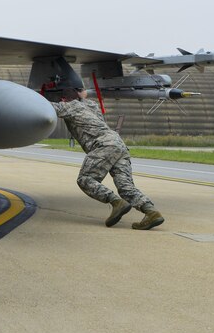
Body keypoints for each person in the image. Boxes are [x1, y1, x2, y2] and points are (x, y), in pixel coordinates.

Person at [52, 88, 163, 230]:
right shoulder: (91, 105)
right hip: (118, 143)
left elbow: (45, 107)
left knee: (85, 179)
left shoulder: (69, 106)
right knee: (125, 187)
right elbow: (83, 99)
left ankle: (116, 202)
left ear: (63, 99)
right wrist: (81, 94)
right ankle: (151, 212)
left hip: (103, 145)